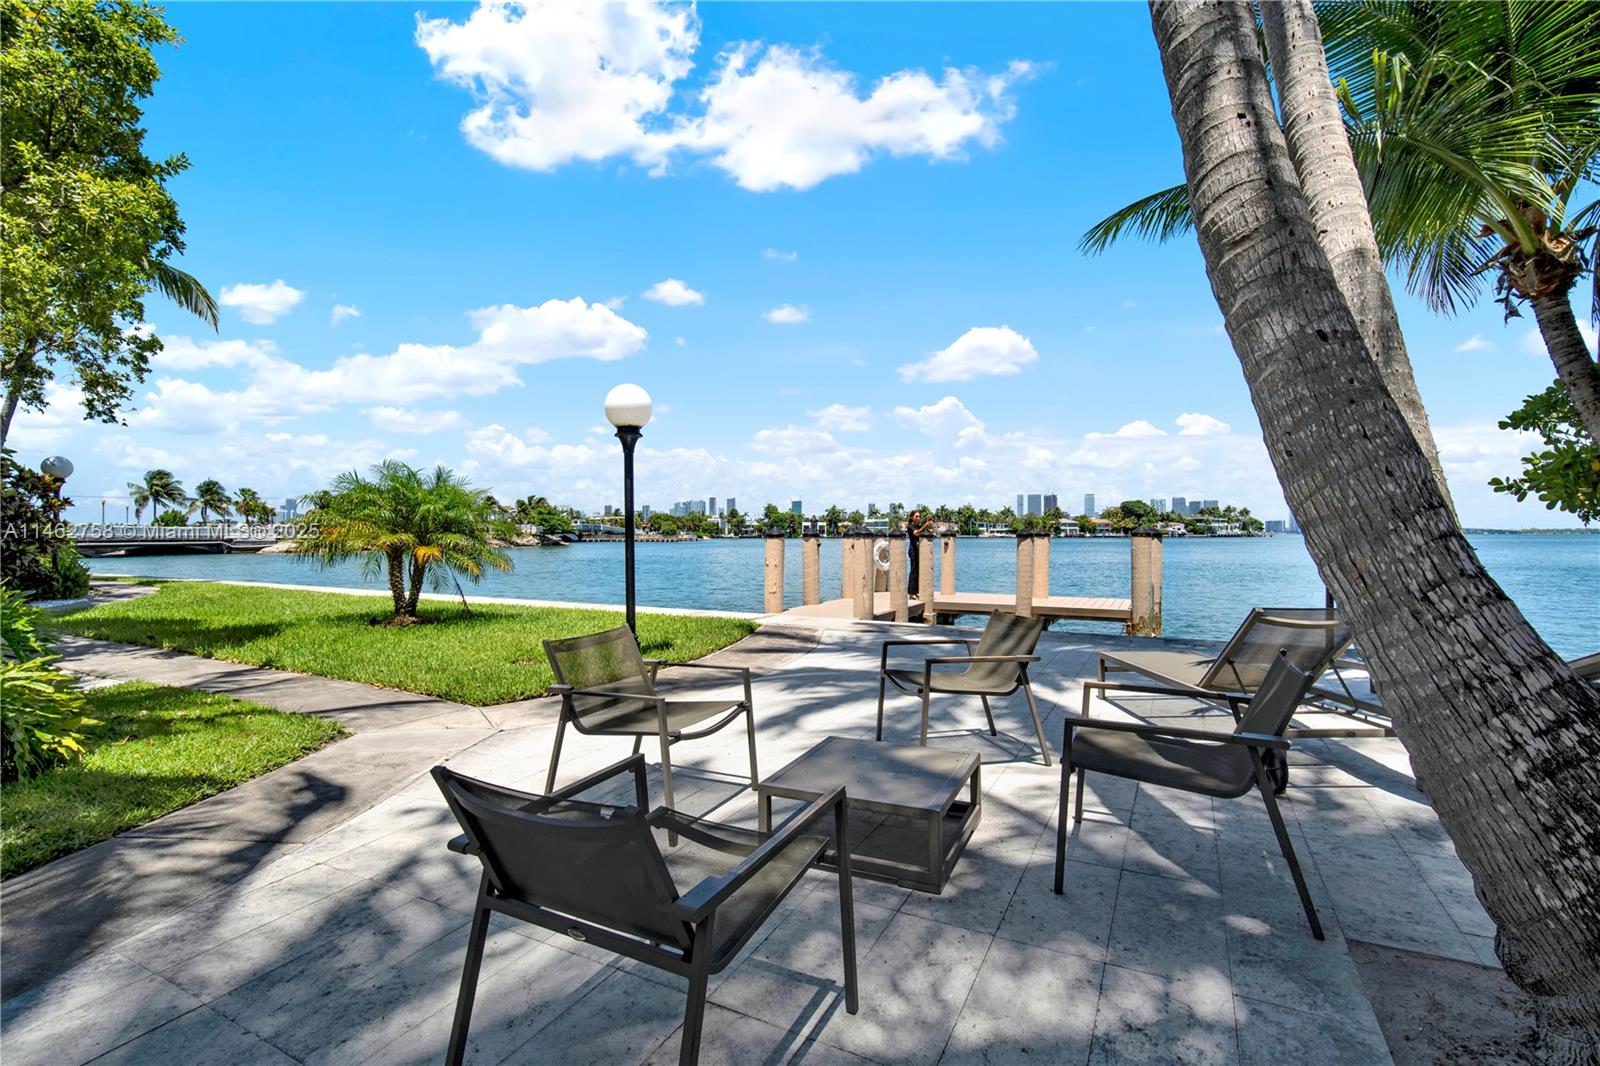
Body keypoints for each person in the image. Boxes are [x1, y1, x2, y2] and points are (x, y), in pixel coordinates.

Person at [906, 510, 934, 593]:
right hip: (913, 550)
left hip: (919, 550)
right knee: (913, 570)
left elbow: (929, 531)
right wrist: (925, 526)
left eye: (919, 516)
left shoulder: (919, 526)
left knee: (919, 571)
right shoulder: (910, 526)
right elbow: (916, 533)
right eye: (916, 516)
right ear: (912, 517)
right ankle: (911, 592)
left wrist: (930, 524)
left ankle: (917, 591)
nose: (918, 518)